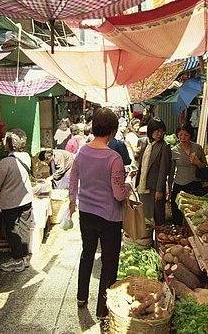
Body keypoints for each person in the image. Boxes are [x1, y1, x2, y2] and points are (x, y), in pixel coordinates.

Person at [69, 107, 131, 320]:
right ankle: (102, 309)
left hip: (86, 213)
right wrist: (127, 188)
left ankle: (81, 297)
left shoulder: (81, 152)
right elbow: (118, 193)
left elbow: (73, 179)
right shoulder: (114, 158)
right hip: (109, 217)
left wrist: (71, 202)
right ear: (113, 131)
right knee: (109, 261)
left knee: (87, 254)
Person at [0, 129, 35, 272]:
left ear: (9, 143)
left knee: (13, 231)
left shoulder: (6, 162)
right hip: (26, 199)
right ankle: (25, 257)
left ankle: (17, 260)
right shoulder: (26, 157)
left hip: (10, 202)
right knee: (24, 228)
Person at [169, 122, 207, 225]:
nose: (183, 137)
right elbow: (171, 172)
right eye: (180, 134)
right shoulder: (174, 151)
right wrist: (168, 190)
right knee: (177, 216)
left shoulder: (198, 148)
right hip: (179, 185)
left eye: (186, 135)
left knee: (196, 216)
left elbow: (206, 168)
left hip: (195, 185)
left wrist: (198, 163)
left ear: (191, 135)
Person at [136, 117, 171, 226]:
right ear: (150, 131)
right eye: (157, 131)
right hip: (143, 186)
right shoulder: (145, 143)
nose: (160, 134)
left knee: (158, 218)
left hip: (155, 188)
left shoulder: (164, 147)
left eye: (162, 131)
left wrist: (159, 190)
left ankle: (158, 241)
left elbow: (163, 170)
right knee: (145, 218)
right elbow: (141, 165)